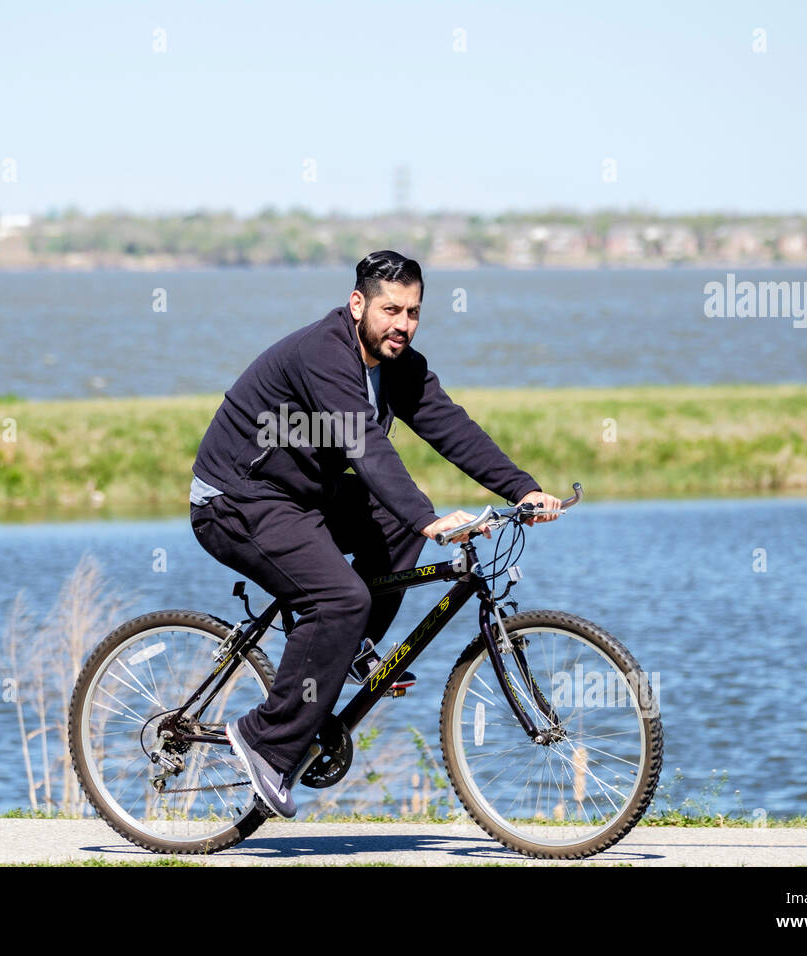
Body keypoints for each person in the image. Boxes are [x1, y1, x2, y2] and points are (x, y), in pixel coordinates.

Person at [189, 250, 559, 817]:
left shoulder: (398, 362)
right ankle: (263, 740)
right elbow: (363, 443)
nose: (402, 324)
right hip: (239, 498)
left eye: (413, 312)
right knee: (341, 596)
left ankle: (350, 646)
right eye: (391, 309)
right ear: (358, 303)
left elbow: (450, 426)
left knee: (394, 523)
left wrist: (521, 489)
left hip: (303, 496)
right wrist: (428, 520)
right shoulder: (323, 354)